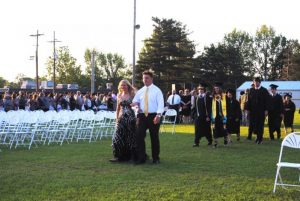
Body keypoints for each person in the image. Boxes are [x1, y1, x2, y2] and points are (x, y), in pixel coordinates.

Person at [132, 70, 164, 164]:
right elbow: (135, 102)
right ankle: (141, 158)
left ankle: (156, 158)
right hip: (142, 116)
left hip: (153, 115)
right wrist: (136, 107)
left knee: (154, 137)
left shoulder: (157, 90)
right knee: (139, 136)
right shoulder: (140, 91)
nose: (145, 80)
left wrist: (158, 115)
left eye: (147, 78)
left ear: (151, 79)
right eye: (143, 78)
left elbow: (161, 104)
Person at [110, 80, 137, 162]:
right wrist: (117, 119)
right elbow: (118, 108)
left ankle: (132, 157)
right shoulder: (119, 95)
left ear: (128, 86)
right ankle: (118, 156)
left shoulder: (132, 94)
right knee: (117, 137)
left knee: (130, 137)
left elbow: (137, 106)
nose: (123, 87)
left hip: (130, 118)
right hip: (121, 119)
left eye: (124, 85)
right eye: (122, 85)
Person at [247, 77, 270, 144]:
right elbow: (249, 101)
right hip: (253, 111)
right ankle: (257, 137)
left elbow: (267, 101)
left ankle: (260, 139)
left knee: (260, 125)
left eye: (257, 82)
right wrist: (248, 109)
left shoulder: (264, 90)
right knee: (254, 125)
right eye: (255, 82)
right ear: (253, 83)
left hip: (261, 111)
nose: (256, 83)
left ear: (260, 82)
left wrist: (266, 110)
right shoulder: (251, 90)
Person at [211, 82, 229, 148]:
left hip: (223, 115)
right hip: (215, 116)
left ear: (220, 89)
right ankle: (215, 143)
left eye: (217, 88)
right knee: (215, 129)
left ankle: (225, 141)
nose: (216, 90)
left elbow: (227, 105)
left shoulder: (224, 96)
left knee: (224, 128)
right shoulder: (213, 96)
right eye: (215, 89)